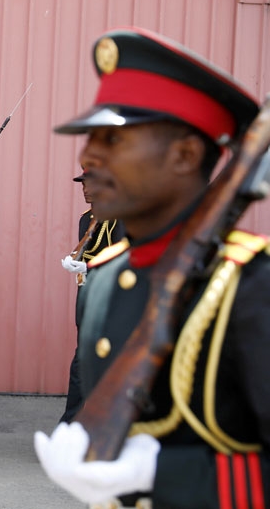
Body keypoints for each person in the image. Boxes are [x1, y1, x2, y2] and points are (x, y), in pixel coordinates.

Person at [34, 27, 268, 508]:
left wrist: (163, 474)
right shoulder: (103, 276)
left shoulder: (251, 286)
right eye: (89, 137)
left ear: (185, 154)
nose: (89, 155)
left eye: (114, 138)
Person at [57, 169, 125, 423]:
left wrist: (89, 267)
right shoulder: (87, 219)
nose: (85, 189)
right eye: (83, 184)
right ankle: (73, 425)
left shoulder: (118, 217)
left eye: (91, 184)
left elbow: (122, 260)